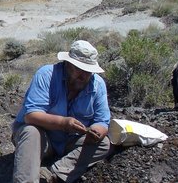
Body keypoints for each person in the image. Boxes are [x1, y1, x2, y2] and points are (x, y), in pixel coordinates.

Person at [11, 40, 111, 183]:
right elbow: (31, 115)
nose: (83, 75)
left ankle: (55, 174)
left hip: (70, 141)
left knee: (104, 143)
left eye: (88, 71)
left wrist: (97, 131)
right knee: (30, 131)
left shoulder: (98, 85)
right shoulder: (47, 75)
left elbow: (102, 121)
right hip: (42, 140)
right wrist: (63, 123)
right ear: (68, 64)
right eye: (79, 69)